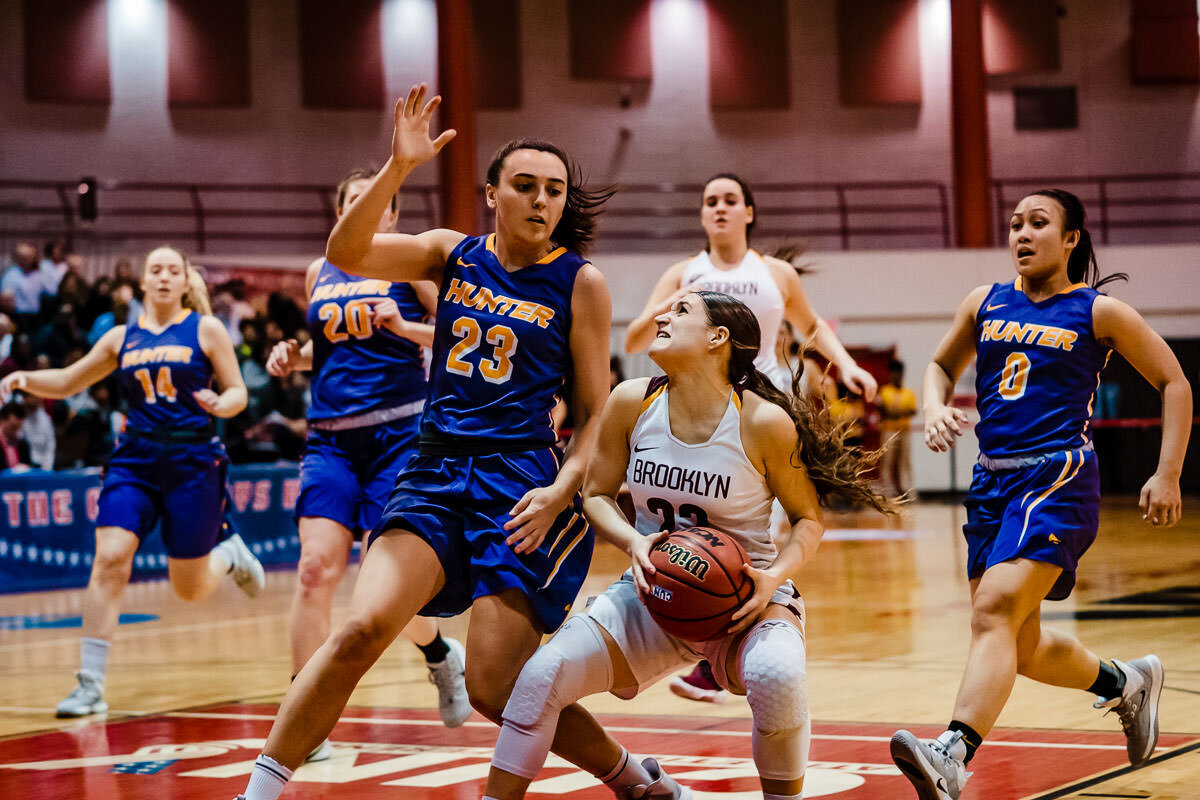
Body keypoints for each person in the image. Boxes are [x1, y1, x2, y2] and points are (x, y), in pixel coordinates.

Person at [234, 84, 613, 800]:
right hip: (434, 468)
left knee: (497, 689)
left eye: (555, 190)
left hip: (518, 481)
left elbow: (595, 413)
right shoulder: (452, 252)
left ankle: (631, 777)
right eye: (525, 185)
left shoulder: (580, 284)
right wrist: (400, 167)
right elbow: (344, 249)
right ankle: (258, 791)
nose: (541, 201)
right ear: (492, 194)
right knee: (360, 629)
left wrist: (563, 489)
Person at [482, 291, 894, 800]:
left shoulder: (762, 421)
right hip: (653, 589)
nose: (661, 315)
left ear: (717, 338)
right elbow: (597, 496)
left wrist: (772, 579)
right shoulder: (632, 400)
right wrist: (634, 540)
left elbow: (808, 519)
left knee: (776, 673)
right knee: (542, 676)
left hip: (745, 598)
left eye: (680, 312)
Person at [890, 189, 1192, 799]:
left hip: (1058, 475)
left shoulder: (1099, 311)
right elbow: (940, 366)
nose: (1022, 234)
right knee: (1018, 645)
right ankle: (1125, 684)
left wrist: (1168, 472)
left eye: (1038, 223)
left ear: (1072, 238)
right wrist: (933, 405)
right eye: (1014, 225)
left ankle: (953, 753)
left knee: (993, 610)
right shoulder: (984, 302)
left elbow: (1174, 381)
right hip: (992, 479)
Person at [625, 178, 880, 704]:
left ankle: (742, 642)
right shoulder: (684, 274)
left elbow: (810, 327)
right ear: (702, 217)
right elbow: (633, 337)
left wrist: (848, 364)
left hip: (762, 415)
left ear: (748, 212)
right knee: (718, 537)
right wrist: (671, 304)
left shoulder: (775, 273)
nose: (719, 208)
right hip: (703, 413)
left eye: (729, 201)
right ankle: (718, 643)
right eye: (710, 202)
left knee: (767, 531)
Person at [0, 245, 266, 718]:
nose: (164, 277)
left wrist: (223, 405)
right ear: (143, 282)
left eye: (173, 270)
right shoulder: (122, 336)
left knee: (188, 589)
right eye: (155, 270)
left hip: (193, 458)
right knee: (109, 559)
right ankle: (90, 684)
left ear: (185, 282)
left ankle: (229, 555)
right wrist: (22, 378)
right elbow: (66, 381)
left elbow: (238, 391)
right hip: (135, 459)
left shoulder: (205, 329)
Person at [265, 167, 469, 759]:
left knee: (381, 589)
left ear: (391, 215)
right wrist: (291, 357)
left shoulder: (411, 268)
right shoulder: (318, 271)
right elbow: (326, 352)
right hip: (330, 439)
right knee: (313, 570)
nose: (364, 205)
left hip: (399, 435)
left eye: (374, 199)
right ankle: (308, 721)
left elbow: (461, 334)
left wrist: (405, 327)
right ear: (340, 212)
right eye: (352, 198)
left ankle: (438, 652)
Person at [877, 359, 918, 496]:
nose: (897, 375)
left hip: (904, 431)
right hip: (889, 431)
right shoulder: (885, 391)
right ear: (890, 374)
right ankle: (888, 492)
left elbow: (913, 411)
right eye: (894, 372)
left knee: (906, 461)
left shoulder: (908, 392)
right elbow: (884, 411)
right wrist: (899, 412)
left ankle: (909, 491)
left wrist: (895, 413)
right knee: (888, 461)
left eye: (899, 372)